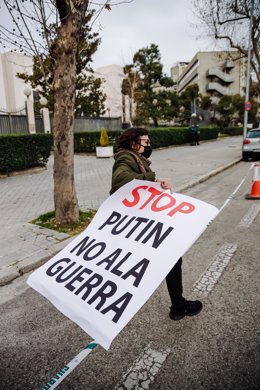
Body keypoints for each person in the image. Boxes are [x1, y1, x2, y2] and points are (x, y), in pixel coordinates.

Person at [110, 127, 202, 320]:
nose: (149, 145)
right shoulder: (125, 158)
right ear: (134, 144)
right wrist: (155, 179)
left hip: (141, 221)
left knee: (171, 259)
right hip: (134, 223)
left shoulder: (136, 159)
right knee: (165, 261)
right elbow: (120, 181)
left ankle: (177, 305)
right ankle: (176, 306)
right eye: (146, 142)